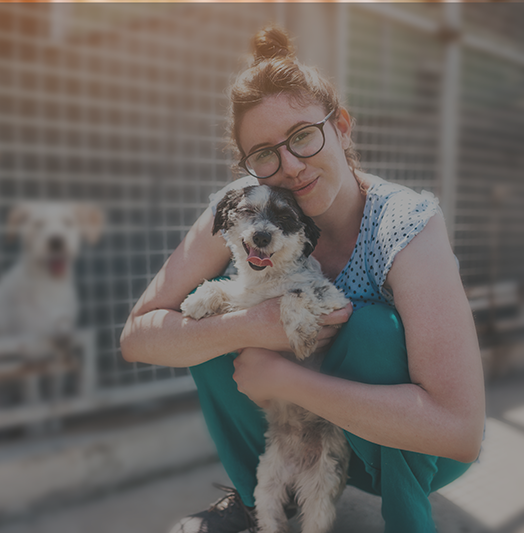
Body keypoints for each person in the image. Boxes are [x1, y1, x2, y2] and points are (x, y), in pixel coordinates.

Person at [120, 26, 485, 533]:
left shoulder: (404, 225)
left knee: (372, 328)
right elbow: (137, 337)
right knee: (205, 318)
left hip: (406, 447)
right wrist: (249, 326)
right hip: (300, 438)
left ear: (342, 127)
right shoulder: (245, 208)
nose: (290, 165)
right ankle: (262, 503)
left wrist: (289, 379)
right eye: (265, 153)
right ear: (248, 168)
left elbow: (461, 433)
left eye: (303, 135)